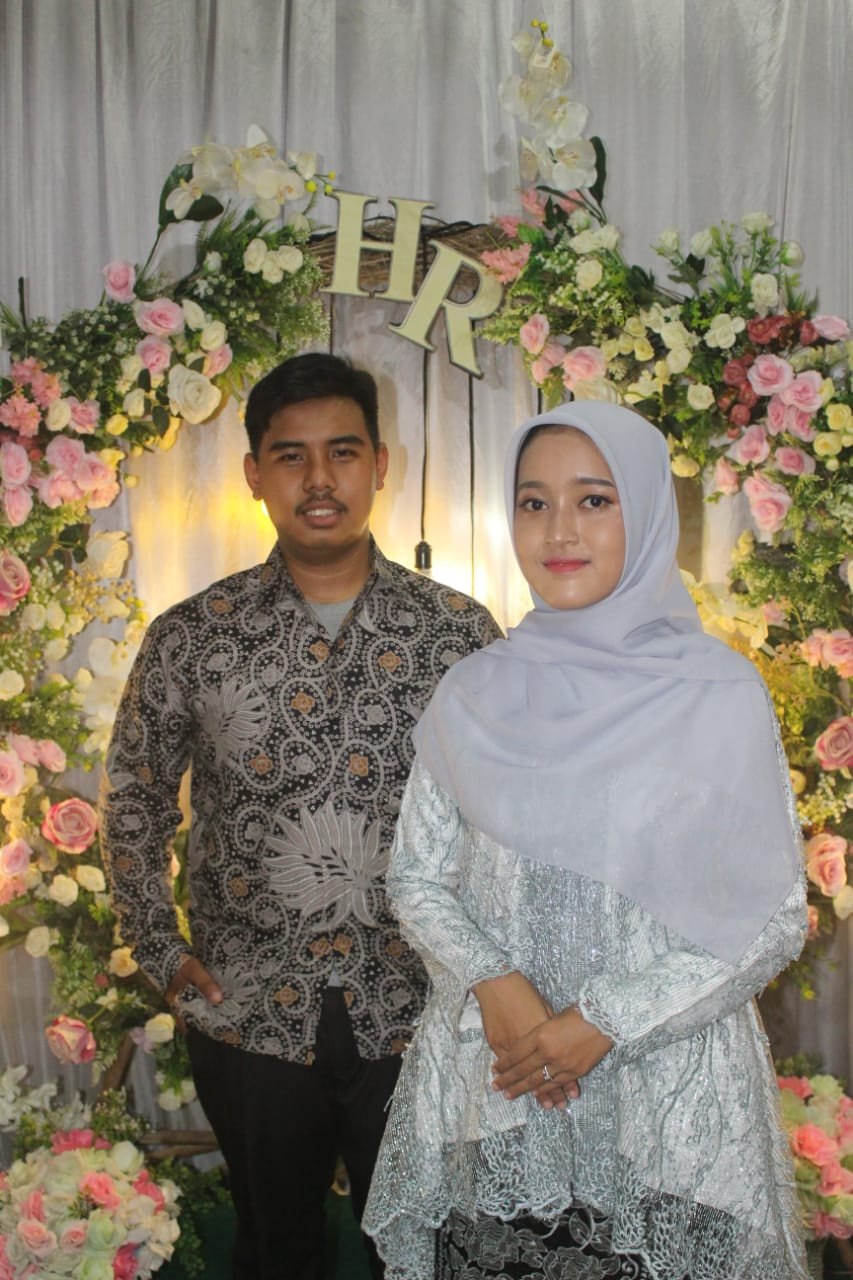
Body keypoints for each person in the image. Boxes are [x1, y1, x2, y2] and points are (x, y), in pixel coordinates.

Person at [363, 401, 809, 1280]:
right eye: (533, 503)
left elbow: (770, 915)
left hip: (665, 1119)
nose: (558, 530)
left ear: (644, 513)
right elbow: (415, 876)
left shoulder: (717, 694)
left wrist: (602, 1021)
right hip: (501, 1096)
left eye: (593, 500)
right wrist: (493, 981)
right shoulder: (474, 691)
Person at [99, 352, 501, 1280]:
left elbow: (507, 815)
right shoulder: (193, 635)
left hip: (419, 1005)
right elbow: (135, 800)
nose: (319, 480)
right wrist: (161, 951)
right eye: (291, 456)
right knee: (275, 1249)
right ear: (254, 473)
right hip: (248, 1009)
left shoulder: (457, 634)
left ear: (380, 465)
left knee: (423, 1252)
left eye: (342, 452)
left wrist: (494, 974)